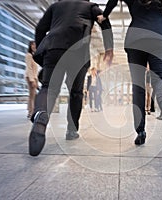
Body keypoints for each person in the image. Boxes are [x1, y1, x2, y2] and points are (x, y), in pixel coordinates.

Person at [28, 0, 114, 157]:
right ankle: (72, 130)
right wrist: (109, 49)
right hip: (78, 51)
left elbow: (40, 28)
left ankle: (41, 113)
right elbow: (104, 21)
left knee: (49, 87)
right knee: (75, 92)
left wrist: (42, 48)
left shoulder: (56, 6)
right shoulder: (91, 7)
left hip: (53, 48)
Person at [98, 0, 162, 145]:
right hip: (159, 37)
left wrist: (105, 15)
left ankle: (140, 131)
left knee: (138, 87)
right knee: (160, 77)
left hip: (135, 38)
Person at [25, 41, 39, 120]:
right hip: (30, 77)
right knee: (32, 96)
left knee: (32, 95)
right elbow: (29, 68)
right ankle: (31, 112)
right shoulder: (29, 55)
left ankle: (30, 111)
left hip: (34, 77)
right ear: (30, 46)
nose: (34, 46)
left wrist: (36, 79)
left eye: (35, 45)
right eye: (32, 45)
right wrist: (32, 80)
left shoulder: (34, 56)